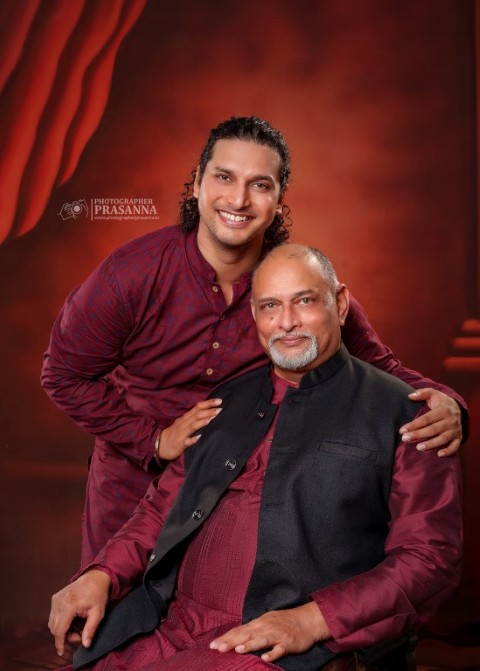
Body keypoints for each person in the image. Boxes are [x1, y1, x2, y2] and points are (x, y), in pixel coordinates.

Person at [41, 116, 466, 569]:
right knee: (111, 606)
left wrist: (450, 403)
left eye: (260, 185)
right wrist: (154, 440)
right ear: (197, 185)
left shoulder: (296, 286)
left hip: (236, 499)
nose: (239, 199)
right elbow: (62, 375)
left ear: (279, 201)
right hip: (129, 493)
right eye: (224, 177)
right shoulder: (130, 273)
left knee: (210, 610)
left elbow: (382, 368)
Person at [48, 244, 462, 671]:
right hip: (166, 622)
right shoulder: (224, 400)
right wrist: (102, 574)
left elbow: (429, 558)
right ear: (254, 315)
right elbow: (163, 506)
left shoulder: (411, 416)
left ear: (340, 304)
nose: (287, 322)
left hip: (267, 644)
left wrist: (311, 621)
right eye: (270, 306)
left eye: (305, 301)